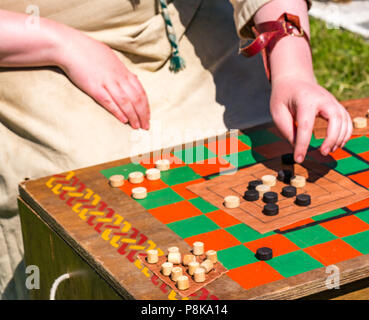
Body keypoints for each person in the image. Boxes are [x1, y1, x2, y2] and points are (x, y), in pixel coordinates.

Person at [0, 0, 352, 299]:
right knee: (92, 186)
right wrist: (59, 43)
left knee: (264, 146)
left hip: (191, 24)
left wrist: (292, 66)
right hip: (32, 38)